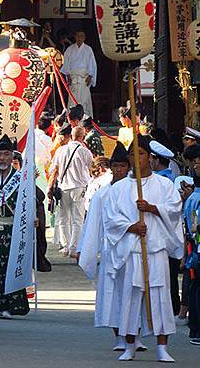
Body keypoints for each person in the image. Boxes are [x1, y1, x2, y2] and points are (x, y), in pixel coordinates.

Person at [104, 134, 183, 362]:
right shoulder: (119, 189)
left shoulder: (164, 184)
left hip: (155, 249)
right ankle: (129, 343)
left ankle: (162, 346)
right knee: (130, 296)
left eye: (140, 153)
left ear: (150, 157)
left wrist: (152, 208)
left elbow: (174, 209)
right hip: (132, 251)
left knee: (159, 296)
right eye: (132, 154)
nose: (135, 158)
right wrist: (131, 227)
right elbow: (111, 219)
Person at [79, 142, 147, 352]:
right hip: (111, 251)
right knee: (114, 295)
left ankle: (135, 336)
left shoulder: (137, 190)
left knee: (135, 294)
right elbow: (93, 225)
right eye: (115, 166)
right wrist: (87, 249)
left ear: (128, 167)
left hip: (133, 249)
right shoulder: (102, 194)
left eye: (122, 166)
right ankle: (119, 337)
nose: (119, 170)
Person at [0, 135, 30, 318]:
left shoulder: (20, 179)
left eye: (6, 154)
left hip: (13, 229)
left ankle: (9, 306)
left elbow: (29, 203)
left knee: (9, 266)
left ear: (13, 156)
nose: (2, 158)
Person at [51, 126, 93, 258]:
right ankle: (74, 248)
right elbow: (91, 167)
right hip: (79, 187)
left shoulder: (61, 150)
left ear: (71, 135)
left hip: (63, 186)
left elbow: (54, 169)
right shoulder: (85, 152)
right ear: (82, 136)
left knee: (63, 218)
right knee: (77, 219)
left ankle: (66, 245)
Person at [183, 147, 200, 345]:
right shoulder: (196, 199)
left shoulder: (192, 198)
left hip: (194, 248)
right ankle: (196, 329)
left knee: (195, 287)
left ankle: (194, 329)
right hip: (197, 247)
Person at [61, 30, 97, 117]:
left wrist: (90, 76)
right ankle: (73, 120)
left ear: (84, 38)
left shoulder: (88, 49)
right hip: (73, 79)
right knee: (72, 102)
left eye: (81, 36)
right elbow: (65, 64)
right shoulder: (69, 50)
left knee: (84, 101)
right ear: (75, 37)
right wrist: (68, 76)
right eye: (77, 36)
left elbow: (92, 64)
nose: (79, 38)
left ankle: (86, 122)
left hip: (84, 79)